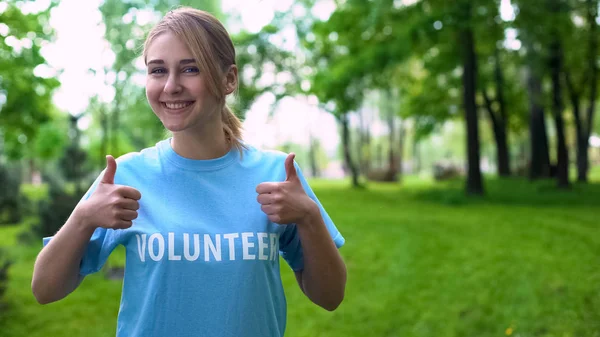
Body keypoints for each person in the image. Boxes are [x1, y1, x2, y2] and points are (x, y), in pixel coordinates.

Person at [31, 6, 346, 337]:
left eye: (190, 69)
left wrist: (309, 217)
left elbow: (330, 296)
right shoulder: (126, 176)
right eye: (157, 70)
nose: (171, 86)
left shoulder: (278, 174)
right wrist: (83, 219)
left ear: (229, 79)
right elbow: (45, 289)